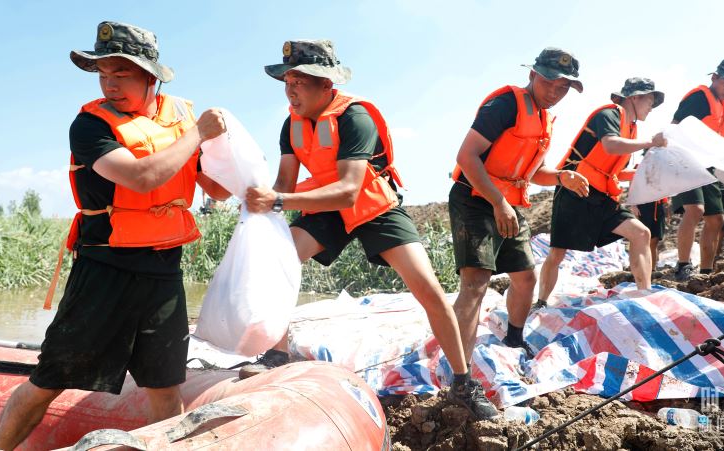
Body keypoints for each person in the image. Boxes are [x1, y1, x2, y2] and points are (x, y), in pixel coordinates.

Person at [0, 21, 229, 450]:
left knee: (164, 387)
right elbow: (142, 176)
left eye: (122, 74)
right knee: (49, 380)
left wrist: (227, 153)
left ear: (150, 77)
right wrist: (199, 134)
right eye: (103, 74)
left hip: (163, 271)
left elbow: (219, 190)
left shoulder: (181, 118)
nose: (110, 84)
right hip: (104, 269)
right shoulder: (89, 126)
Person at [244, 40, 498, 420]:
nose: (290, 90)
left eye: (300, 81)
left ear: (327, 85)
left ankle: (463, 383)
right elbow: (285, 181)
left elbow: (348, 190)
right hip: (324, 205)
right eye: (287, 81)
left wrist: (277, 202)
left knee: (427, 288)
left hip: (371, 203)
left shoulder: (354, 116)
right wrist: (262, 208)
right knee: (279, 258)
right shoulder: (290, 124)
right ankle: (277, 353)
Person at [448, 47, 587, 359]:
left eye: (563, 87)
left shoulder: (542, 119)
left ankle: (513, 340)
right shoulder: (505, 104)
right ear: (532, 75)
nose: (554, 92)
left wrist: (562, 176)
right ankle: (459, 368)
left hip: (506, 203)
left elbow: (534, 172)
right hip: (475, 197)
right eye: (548, 82)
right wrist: (498, 202)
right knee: (476, 283)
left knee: (525, 277)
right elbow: (466, 156)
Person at [538, 78, 666, 304]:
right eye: (649, 101)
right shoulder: (609, 115)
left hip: (602, 197)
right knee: (557, 253)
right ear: (634, 97)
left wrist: (643, 174)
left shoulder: (631, 128)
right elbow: (610, 145)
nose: (651, 107)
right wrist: (650, 143)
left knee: (642, 233)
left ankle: (644, 295)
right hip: (574, 190)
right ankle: (541, 301)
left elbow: (612, 172)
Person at [670, 60, 724, 281]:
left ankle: (705, 273)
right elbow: (675, 125)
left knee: (716, 219)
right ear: (714, 78)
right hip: (685, 160)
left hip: (707, 166)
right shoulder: (699, 98)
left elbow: (720, 130)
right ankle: (683, 265)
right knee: (695, 210)